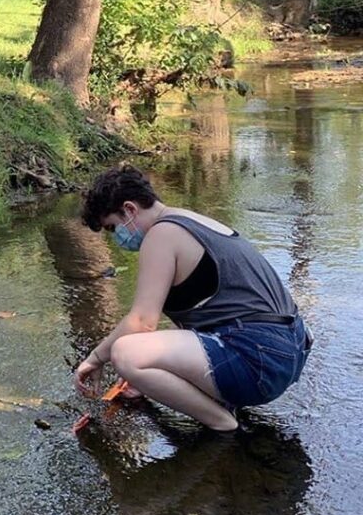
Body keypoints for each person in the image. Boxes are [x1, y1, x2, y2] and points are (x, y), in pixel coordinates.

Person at [74, 165, 312, 431]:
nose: (117, 238)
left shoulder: (161, 235)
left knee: (125, 353)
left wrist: (95, 358)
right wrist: (151, 378)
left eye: (113, 228)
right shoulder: (191, 221)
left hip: (259, 360)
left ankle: (221, 420)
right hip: (290, 350)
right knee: (141, 355)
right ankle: (220, 403)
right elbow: (203, 318)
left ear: (129, 210)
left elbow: (142, 322)